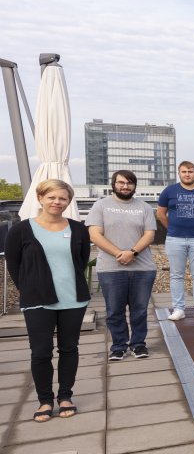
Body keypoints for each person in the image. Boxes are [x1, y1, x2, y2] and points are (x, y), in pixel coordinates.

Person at [5, 179, 90, 422]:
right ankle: (45, 400)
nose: (57, 202)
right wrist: (30, 289)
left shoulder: (78, 229)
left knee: (69, 348)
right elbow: (14, 265)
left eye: (62, 198)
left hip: (73, 299)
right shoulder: (21, 230)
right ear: (40, 198)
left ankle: (65, 396)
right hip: (37, 301)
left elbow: (81, 261)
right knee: (41, 352)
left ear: (68, 202)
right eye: (51, 197)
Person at [86, 170, 157, 360]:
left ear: (134, 186)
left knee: (140, 310)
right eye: (121, 183)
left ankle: (138, 344)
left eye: (129, 183)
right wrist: (119, 253)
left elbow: (149, 235)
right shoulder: (100, 206)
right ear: (113, 184)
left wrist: (132, 252)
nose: (125, 186)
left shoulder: (144, 207)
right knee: (114, 311)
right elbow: (94, 235)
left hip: (142, 268)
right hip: (111, 268)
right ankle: (118, 346)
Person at [157, 161, 194, 321]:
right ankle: (178, 309)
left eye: (190, 171)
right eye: (184, 171)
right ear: (179, 173)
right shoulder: (169, 191)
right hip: (174, 238)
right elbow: (161, 213)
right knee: (176, 275)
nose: (187, 174)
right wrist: (170, 228)